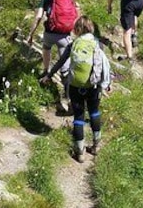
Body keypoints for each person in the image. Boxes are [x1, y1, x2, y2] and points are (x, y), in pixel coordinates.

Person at [41, 16, 111, 162]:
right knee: (94, 112)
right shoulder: (97, 44)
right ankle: (96, 146)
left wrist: (49, 75)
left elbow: (61, 62)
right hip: (93, 85)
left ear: (78, 29)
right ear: (91, 28)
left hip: (75, 86)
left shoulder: (73, 44)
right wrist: (105, 83)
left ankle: (80, 153)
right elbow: (102, 64)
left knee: (78, 117)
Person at [27, 0, 79, 92]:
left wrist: (31, 34)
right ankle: (68, 95)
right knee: (65, 65)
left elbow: (38, 17)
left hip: (50, 33)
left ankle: (46, 71)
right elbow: (75, 13)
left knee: (46, 47)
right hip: (65, 34)